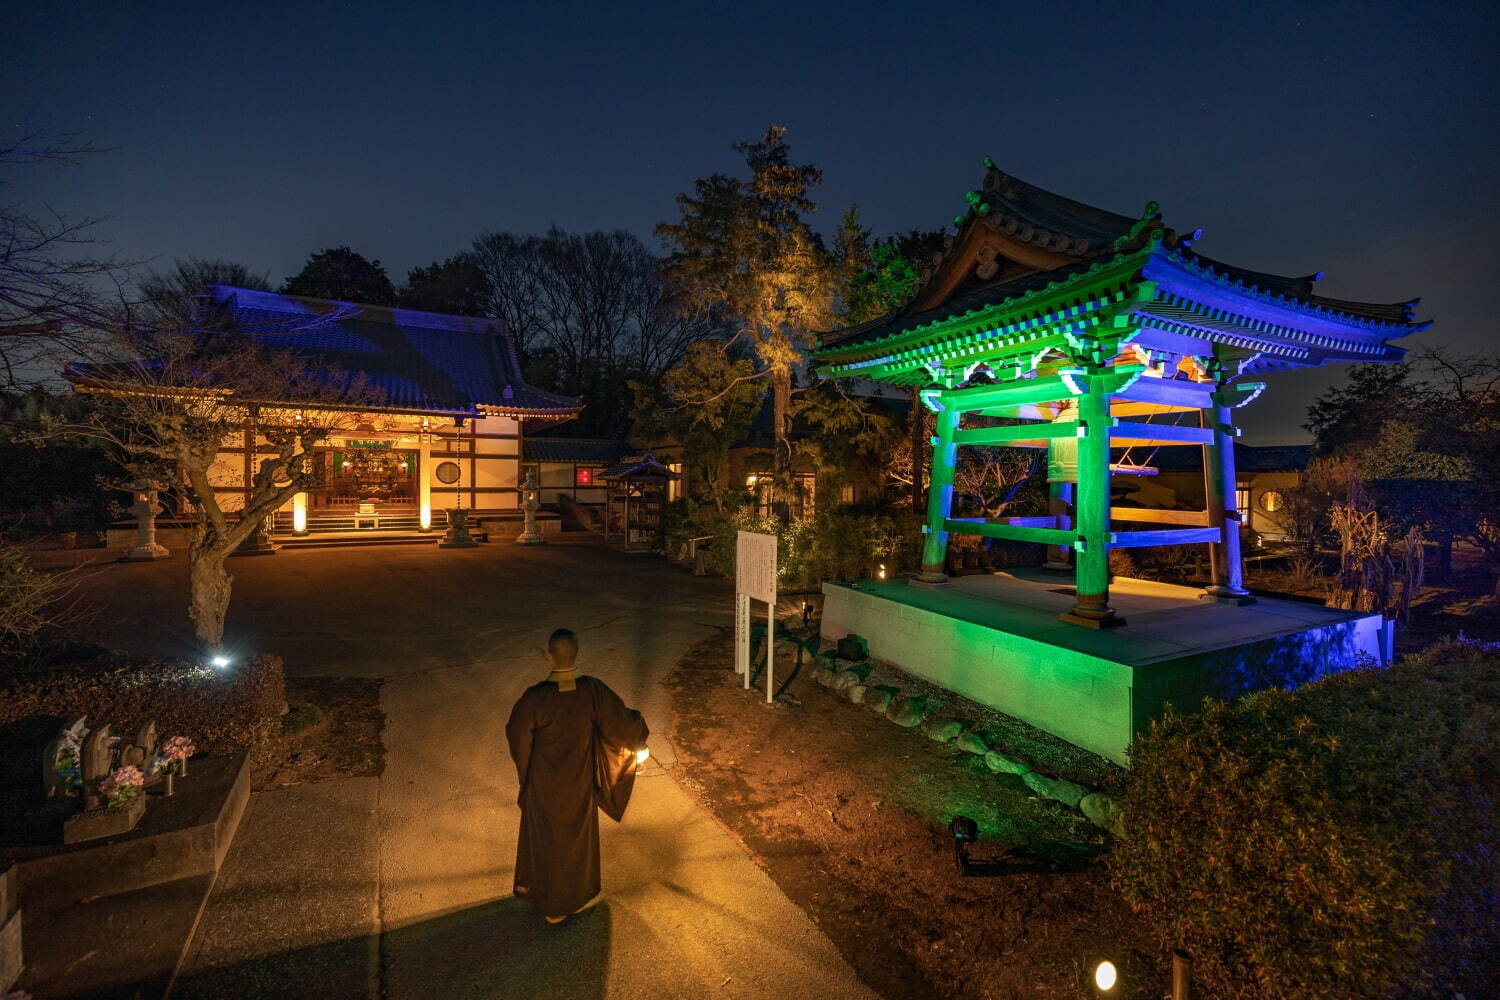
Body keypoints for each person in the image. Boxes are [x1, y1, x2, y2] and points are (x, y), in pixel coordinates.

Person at [505, 627, 649, 924]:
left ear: (549, 656)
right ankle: (575, 897)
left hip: (544, 784)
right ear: (577, 653)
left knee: (548, 840)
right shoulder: (593, 691)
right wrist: (638, 738)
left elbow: (518, 739)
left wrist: (527, 777)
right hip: (580, 781)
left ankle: (549, 903)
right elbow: (620, 721)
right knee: (576, 841)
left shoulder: (534, 699)